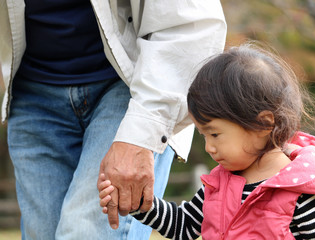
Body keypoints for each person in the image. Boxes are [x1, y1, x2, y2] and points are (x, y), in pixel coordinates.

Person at [0, 0, 227, 239]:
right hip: (32, 93)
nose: (211, 147)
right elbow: (185, 226)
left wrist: (140, 136)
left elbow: (190, 26)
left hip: (130, 87)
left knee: (84, 233)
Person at [98, 42, 315, 239]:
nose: (209, 147)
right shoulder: (220, 183)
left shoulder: (303, 194)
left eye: (215, 134)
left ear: (264, 124)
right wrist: (138, 203)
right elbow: (183, 225)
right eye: (204, 136)